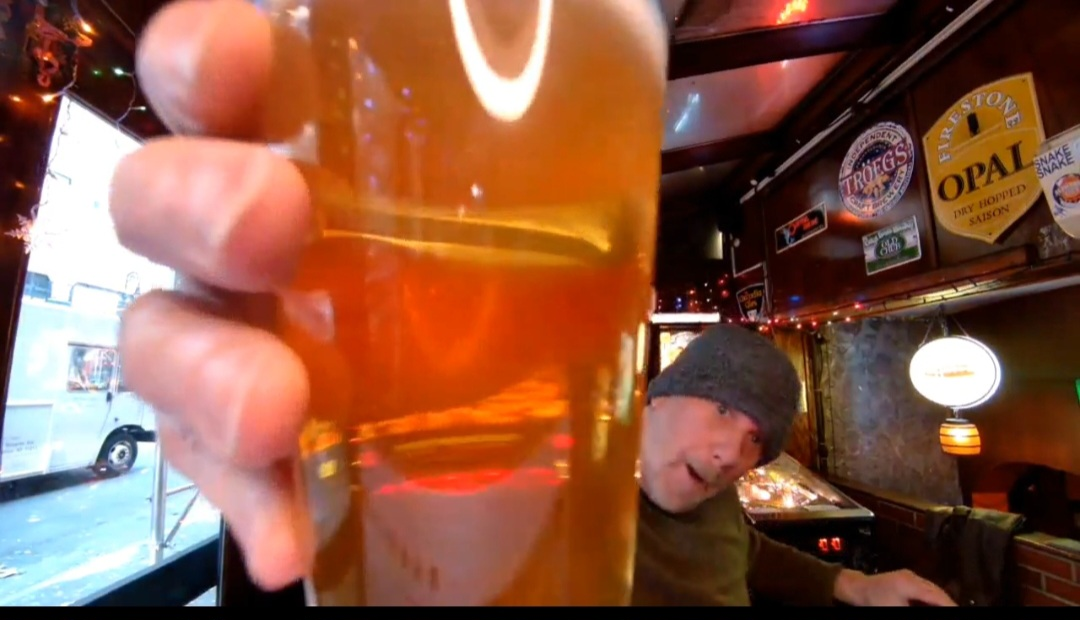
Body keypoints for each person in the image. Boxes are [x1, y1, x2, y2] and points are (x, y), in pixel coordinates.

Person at [111, 0, 957, 607]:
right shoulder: (562, 482)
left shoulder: (714, 514)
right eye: (729, 410)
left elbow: (755, 561)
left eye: (758, 443)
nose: (737, 450)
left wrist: (852, 585)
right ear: (657, 390)